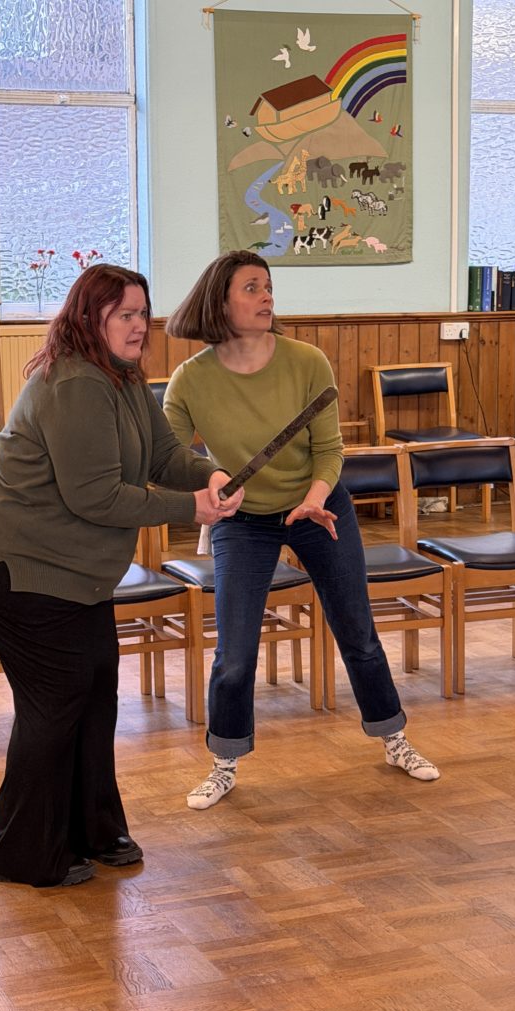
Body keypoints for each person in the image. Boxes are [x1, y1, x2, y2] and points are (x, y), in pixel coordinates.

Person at [0, 264, 243, 886]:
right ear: (89, 319)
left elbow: (162, 454)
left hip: (68, 565)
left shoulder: (121, 374)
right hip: (13, 558)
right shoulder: (77, 383)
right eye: (124, 315)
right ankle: (22, 854)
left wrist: (209, 473)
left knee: (97, 688)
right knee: (55, 701)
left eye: (143, 313)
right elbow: (96, 497)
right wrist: (189, 508)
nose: (139, 326)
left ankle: (94, 829)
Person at [163, 250, 440, 811]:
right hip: (244, 522)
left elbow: (330, 450)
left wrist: (315, 499)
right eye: (251, 287)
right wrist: (208, 480)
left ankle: (393, 737)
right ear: (220, 302)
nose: (266, 296)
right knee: (235, 652)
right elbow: (170, 456)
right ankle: (224, 762)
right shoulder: (190, 380)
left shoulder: (307, 361)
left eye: (268, 285)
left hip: (319, 507)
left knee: (357, 633)